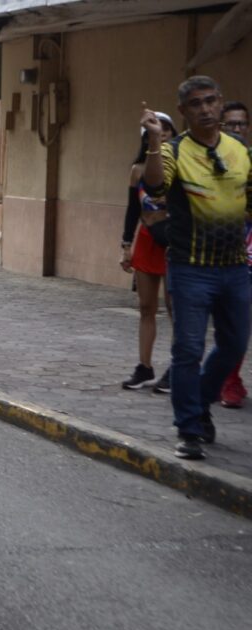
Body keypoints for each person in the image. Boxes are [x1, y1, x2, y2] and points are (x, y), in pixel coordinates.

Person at [141, 76, 252, 460]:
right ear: (184, 112)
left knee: (235, 344)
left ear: (220, 103)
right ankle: (189, 428)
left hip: (235, 267)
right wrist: (155, 143)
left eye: (211, 101)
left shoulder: (239, 148)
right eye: (196, 104)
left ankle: (201, 402)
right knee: (187, 349)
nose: (205, 109)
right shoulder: (173, 150)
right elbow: (155, 188)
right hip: (190, 267)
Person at [119, 112, 178, 392]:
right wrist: (125, 244)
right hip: (146, 238)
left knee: (174, 308)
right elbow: (133, 209)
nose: (162, 133)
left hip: (174, 242)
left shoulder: (180, 165)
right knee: (146, 307)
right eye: (157, 129)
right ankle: (144, 367)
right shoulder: (138, 170)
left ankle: (176, 369)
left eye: (167, 129)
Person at [218, 100, 251, 408]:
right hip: (227, 256)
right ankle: (228, 381)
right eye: (231, 124)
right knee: (234, 324)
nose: (238, 129)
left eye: (242, 124)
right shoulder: (211, 163)